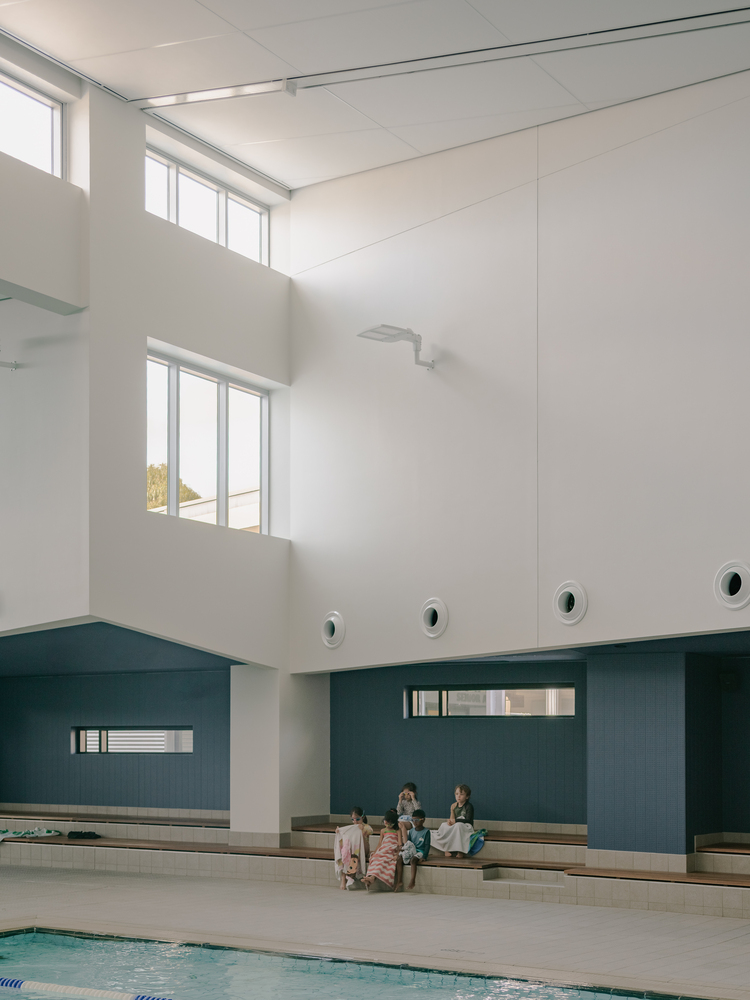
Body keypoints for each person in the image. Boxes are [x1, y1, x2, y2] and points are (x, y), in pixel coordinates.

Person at [362, 809, 403, 890]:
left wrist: (397, 854)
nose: (387, 825)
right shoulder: (383, 831)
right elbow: (380, 844)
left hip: (391, 851)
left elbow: (399, 844)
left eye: (390, 823)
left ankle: (372, 878)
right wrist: (375, 853)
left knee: (383, 861)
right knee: (375, 859)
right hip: (383, 850)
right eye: (386, 822)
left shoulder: (397, 830)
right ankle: (370, 877)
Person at [334, 806, 373, 889]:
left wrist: (362, 830)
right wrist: (339, 832)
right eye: (353, 819)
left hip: (364, 850)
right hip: (353, 851)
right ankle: (343, 878)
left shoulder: (366, 827)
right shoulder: (351, 828)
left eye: (357, 819)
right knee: (345, 853)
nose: (355, 821)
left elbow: (371, 831)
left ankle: (347, 877)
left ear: (362, 817)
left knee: (351, 853)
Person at [432, 784, 474, 858]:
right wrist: (451, 814)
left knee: (458, 825)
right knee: (444, 825)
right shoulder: (454, 806)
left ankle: (460, 851)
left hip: (466, 826)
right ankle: (446, 848)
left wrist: (456, 821)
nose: (458, 796)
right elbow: (452, 819)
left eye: (461, 794)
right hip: (456, 824)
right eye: (457, 794)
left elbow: (468, 820)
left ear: (467, 796)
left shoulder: (469, 806)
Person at [394, 808, 430, 891]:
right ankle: (399, 881)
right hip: (411, 850)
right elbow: (408, 843)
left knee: (413, 860)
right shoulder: (411, 831)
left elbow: (427, 845)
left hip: (420, 851)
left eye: (417, 820)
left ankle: (412, 880)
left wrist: (424, 856)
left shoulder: (426, 832)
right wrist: (403, 848)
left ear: (423, 820)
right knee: (399, 858)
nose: (415, 822)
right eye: (413, 820)